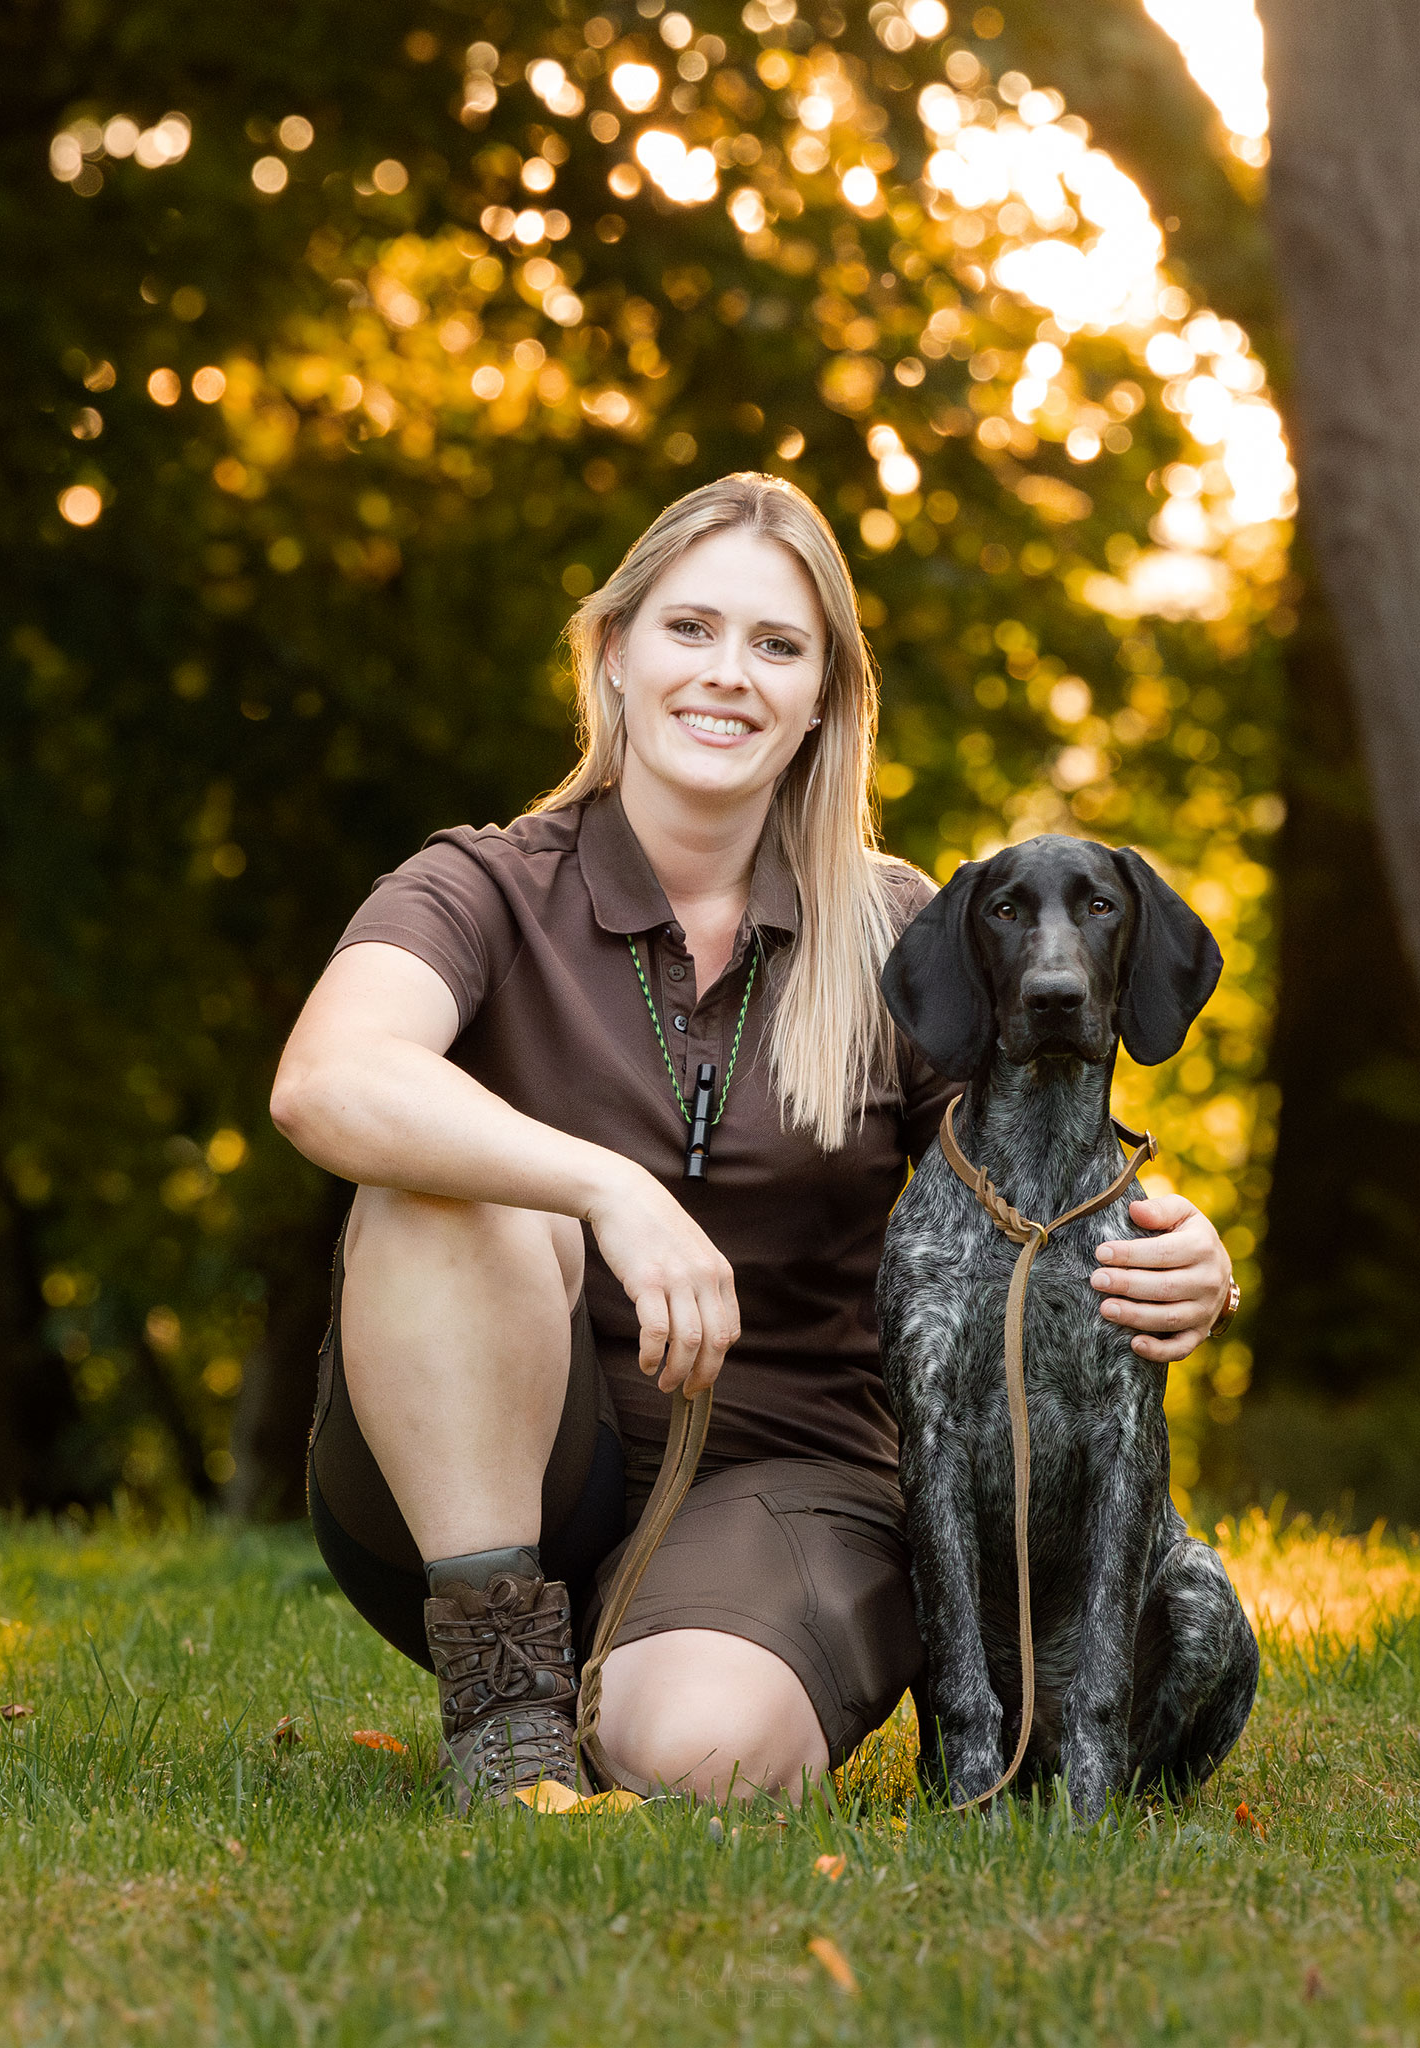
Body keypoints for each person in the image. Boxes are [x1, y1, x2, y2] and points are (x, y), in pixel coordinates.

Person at [269, 473, 1237, 1811]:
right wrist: (601, 1187)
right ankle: (505, 1714)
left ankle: (636, 1687)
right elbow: (328, 1081)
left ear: (825, 698)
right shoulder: (479, 885)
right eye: (690, 630)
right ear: (611, 656)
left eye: (778, 647)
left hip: (788, 1480)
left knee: (710, 1761)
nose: (729, 675)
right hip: (484, 1474)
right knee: (450, 1189)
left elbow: (1025, 1172)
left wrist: (1187, 1258)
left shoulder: (897, 926)